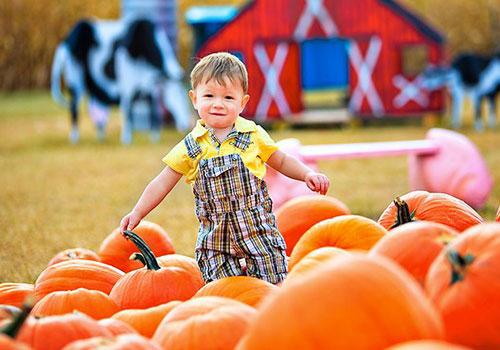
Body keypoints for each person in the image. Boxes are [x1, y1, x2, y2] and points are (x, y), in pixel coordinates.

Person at [119, 52, 330, 284]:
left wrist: (306, 174)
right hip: (215, 238)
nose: (218, 104)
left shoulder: (253, 135)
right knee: (222, 290)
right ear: (195, 99)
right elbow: (163, 182)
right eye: (209, 95)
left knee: (273, 280)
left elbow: (280, 159)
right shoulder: (191, 146)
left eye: (228, 98)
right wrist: (138, 212)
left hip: (257, 229)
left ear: (243, 102)